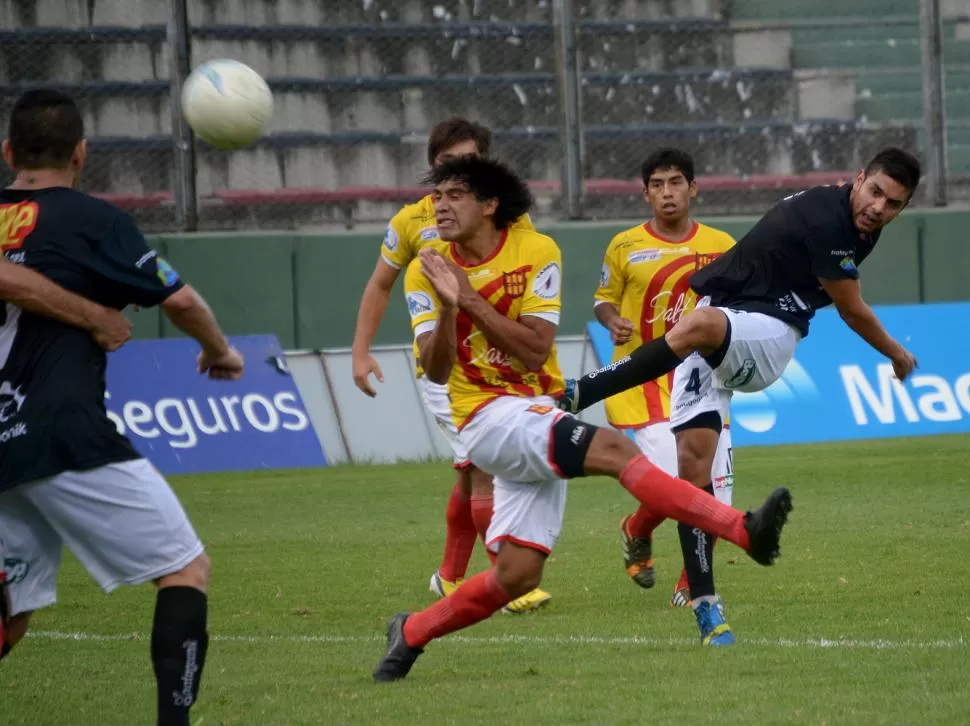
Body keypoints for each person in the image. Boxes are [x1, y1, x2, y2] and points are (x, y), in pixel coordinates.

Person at [372, 155, 793, 682]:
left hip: (535, 407)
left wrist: (470, 300)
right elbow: (435, 372)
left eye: (455, 194)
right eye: (438, 196)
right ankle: (744, 531)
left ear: (489, 204)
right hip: (483, 417)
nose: (440, 205)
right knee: (618, 451)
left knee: (517, 576)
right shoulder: (425, 267)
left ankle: (410, 632)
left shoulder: (536, 251)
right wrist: (451, 307)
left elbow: (533, 350)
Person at [0, 89, 245, 726]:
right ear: (82, 153)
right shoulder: (90, 219)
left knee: (12, 610)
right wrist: (220, 350)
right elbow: (181, 301)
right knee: (184, 568)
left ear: (7, 153)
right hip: (60, 431)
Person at [351, 116, 549, 613]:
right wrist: (360, 351)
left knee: (469, 473)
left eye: (469, 165)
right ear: (431, 168)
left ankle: (449, 575)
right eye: (446, 167)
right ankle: (506, 579)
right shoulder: (410, 222)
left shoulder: (507, 217)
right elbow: (380, 283)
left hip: (497, 362)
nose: (454, 182)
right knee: (483, 466)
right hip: (445, 365)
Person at [594, 148, 739, 643]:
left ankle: (672, 565)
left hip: (701, 380)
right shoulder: (625, 245)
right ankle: (644, 534)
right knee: (682, 481)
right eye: (657, 184)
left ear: (693, 189)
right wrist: (612, 320)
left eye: (676, 182)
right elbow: (603, 300)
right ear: (646, 193)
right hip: (644, 383)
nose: (668, 192)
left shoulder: (722, 245)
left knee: (717, 490)